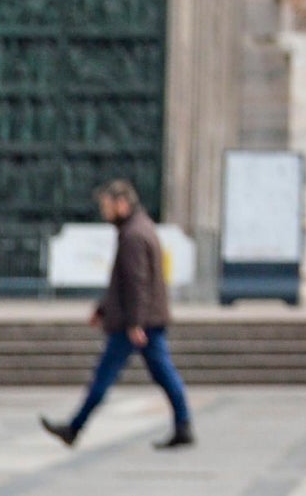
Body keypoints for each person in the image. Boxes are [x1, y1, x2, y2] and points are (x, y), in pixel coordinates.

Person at [42, 179, 196, 451]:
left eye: (106, 206)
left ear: (122, 204)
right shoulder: (139, 228)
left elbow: (137, 283)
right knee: (163, 373)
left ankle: (74, 428)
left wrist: (136, 322)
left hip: (134, 323)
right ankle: (183, 425)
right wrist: (103, 309)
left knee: (105, 376)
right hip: (144, 319)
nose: (104, 212)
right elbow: (124, 282)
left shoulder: (133, 236)